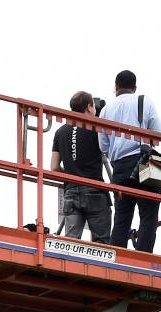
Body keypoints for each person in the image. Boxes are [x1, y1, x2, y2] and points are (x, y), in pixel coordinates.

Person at [99, 70, 161, 252]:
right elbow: (159, 133)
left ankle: (116, 258)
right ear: (135, 88)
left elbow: (103, 146)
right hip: (142, 162)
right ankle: (144, 256)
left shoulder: (105, 110)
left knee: (122, 217)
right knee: (149, 214)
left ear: (116, 87)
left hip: (119, 168)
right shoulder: (143, 101)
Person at [49, 91, 111, 242]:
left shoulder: (60, 132)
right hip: (95, 190)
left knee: (70, 243)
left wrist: (71, 174)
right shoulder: (96, 128)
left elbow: (54, 167)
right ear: (89, 107)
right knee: (102, 244)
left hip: (71, 192)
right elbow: (110, 153)